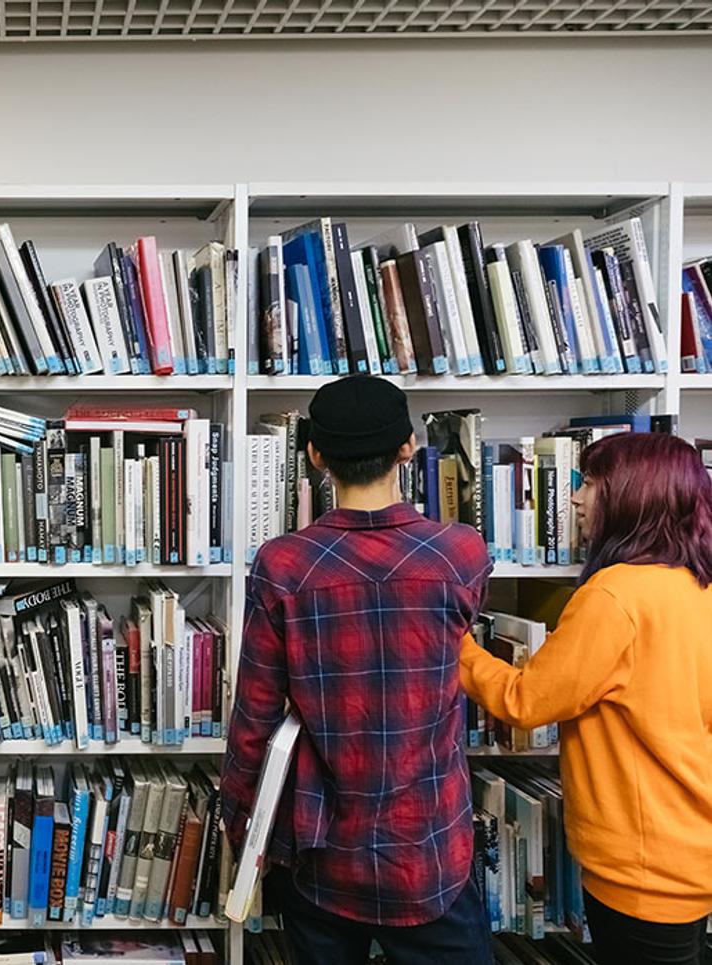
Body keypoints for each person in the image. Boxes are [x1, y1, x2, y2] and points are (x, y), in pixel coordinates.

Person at [222, 375, 493, 965]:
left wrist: (239, 815)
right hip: (429, 848)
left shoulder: (282, 565)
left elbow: (255, 717)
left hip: (325, 850)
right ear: (408, 447)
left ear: (315, 455)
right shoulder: (462, 552)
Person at [462, 431, 712, 965]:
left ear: (630, 497)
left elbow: (525, 701)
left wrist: (453, 643)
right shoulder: (698, 587)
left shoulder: (614, 596)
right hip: (691, 848)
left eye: (592, 483)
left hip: (643, 867)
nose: (575, 497)